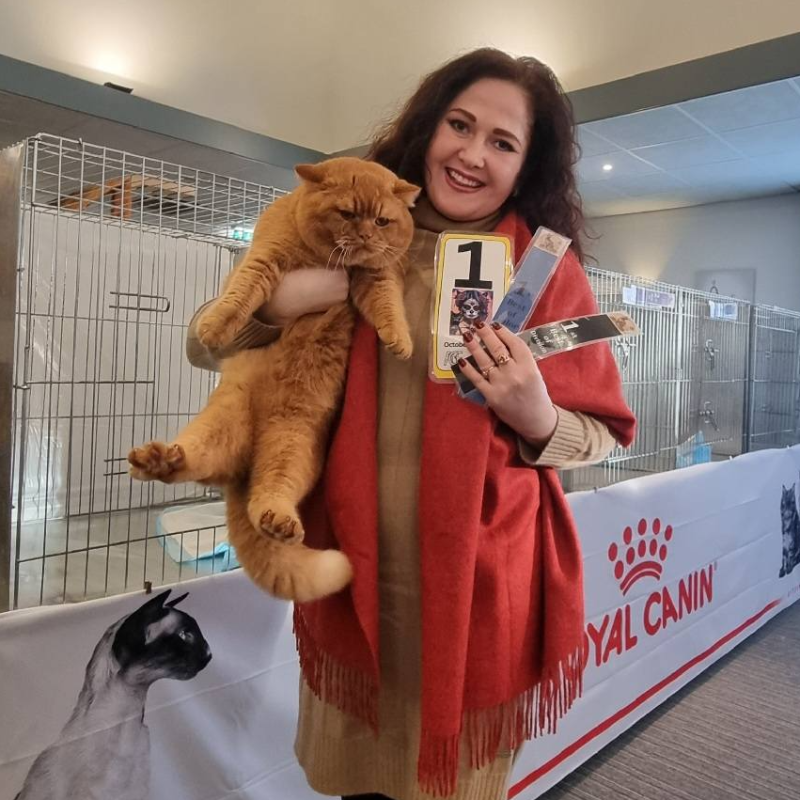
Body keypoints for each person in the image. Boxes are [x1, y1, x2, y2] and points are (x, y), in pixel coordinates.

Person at [187, 48, 635, 800]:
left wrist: (535, 414)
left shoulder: (545, 271)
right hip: (354, 570)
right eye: (459, 125)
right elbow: (204, 343)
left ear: (526, 167)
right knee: (358, 782)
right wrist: (279, 303)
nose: (472, 154)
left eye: (502, 142)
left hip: (480, 585)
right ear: (427, 128)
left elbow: (604, 430)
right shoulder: (346, 229)